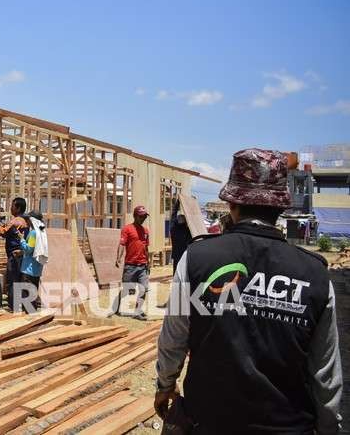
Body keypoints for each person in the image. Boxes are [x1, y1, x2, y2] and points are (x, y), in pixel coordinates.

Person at [155, 148, 342, 434]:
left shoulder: (196, 259)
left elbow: (174, 337)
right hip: (289, 426)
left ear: (232, 203)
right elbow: (325, 372)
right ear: (281, 208)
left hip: (209, 422)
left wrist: (165, 385)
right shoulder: (315, 274)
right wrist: (329, 426)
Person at [110, 205, 150, 319]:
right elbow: (122, 244)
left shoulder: (146, 231)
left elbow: (145, 248)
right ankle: (115, 307)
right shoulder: (127, 229)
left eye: (144, 217)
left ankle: (137, 312)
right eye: (141, 216)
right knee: (129, 291)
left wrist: (148, 262)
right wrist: (118, 257)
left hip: (142, 266)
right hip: (130, 266)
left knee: (144, 289)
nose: (143, 219)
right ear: (135, 216)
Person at [0, 197, 29, 311]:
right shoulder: (25, 221)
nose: (10, 208)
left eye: (12, 206)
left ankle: (14, 306)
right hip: (23, 254)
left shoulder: (15, 221)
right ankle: (24, 305)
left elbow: (3, 232)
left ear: (18, 208)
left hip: (15, 255)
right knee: (22, 279)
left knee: (13, 280)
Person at [16, 210, 46, 313]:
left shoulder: (33, 233)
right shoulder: (41, 231)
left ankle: (30, 315)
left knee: (27, 294)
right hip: (37, 269)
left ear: (33, 220)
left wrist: (22, 239)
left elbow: (29, 248)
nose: (27, 221)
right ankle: (32, 314)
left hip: (29, 269)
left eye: (28, 219)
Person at [169, 197, 191, 275]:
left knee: (177, 275)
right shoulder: (188, 230)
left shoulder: (173, 229)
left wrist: (178, 202)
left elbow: (173, 214)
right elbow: (190, 218)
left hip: (178, 255)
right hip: (185, 256)